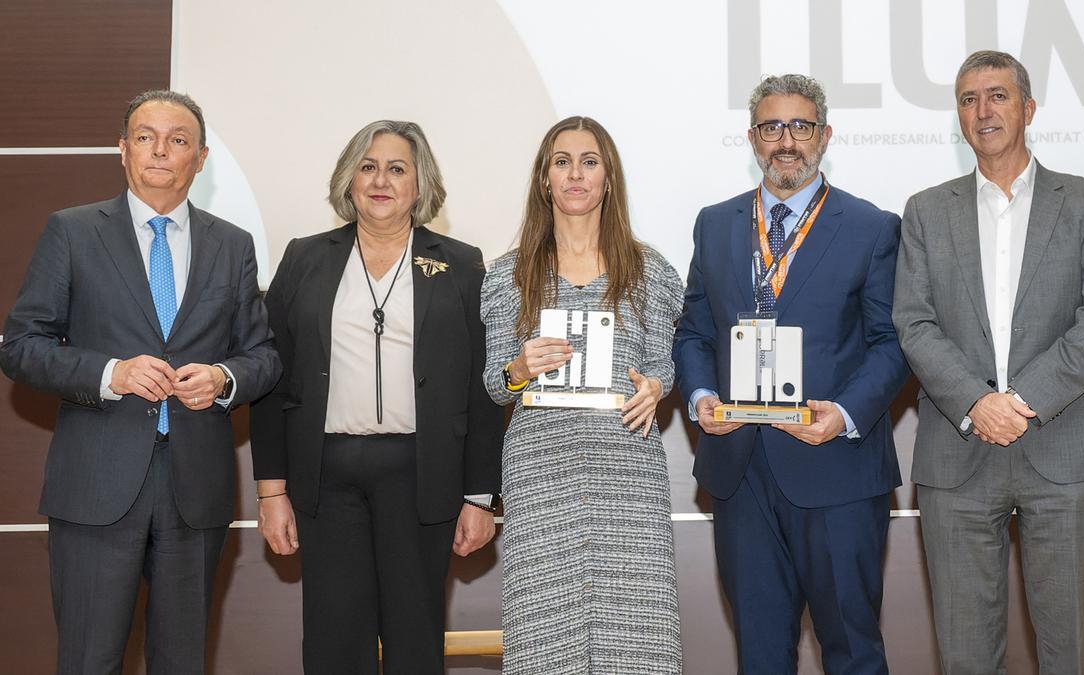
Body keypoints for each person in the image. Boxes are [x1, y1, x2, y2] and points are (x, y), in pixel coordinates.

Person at [0, 90, 280, 674]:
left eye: (178, 140)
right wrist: (110, 373)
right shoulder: (72, 232)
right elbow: (22, 347)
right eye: (146, 137)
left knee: (180, 662)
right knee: (88, 661)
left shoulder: (232, 244)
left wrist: (224, 379)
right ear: (122, 151)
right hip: (95, 484)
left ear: (200, 159)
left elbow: (262, 355)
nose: (161, 150)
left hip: (194, 488)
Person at [893, 50, 1084, 674]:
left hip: (1066, 449)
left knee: (1066, 652)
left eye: (997, 95)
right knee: (965, 656)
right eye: (968, 100)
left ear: (1028, 108)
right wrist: (976, 402)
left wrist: (1021, 402)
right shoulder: (924, 210)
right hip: (958, 452)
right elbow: (913, 323)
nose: (983, 110)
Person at [673, 74, 909, 674]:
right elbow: (695, 331)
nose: (786, 141)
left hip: (838, 473)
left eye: (800, 126)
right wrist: (701, 395)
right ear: (752, 138)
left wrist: (845, 415)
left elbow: (892, 344)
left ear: (824, 136)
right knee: (760, 654)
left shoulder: (872, 227)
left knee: (852, 650)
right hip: (741, 472)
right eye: (771, 127)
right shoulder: (715, 223)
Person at [248, 119, 502, 673]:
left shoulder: (461, 263)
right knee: (334, 645)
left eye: (396, 168)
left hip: (422, 474)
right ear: (349, 180)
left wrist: (481, 496)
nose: (380, 180)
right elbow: (273, 380)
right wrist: (270, 493)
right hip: (326, 474)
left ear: (419, 184)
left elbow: (481, 391)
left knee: (415, 644)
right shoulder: (305, 257)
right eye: (367, 166)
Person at [481, 116, 683, 673]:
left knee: (637, 637)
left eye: (589, 161)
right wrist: (519, 367)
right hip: (541, 471)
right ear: (544, 178)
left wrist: (658, 385)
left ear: (608, 178)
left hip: (627, 468)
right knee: (545, 638)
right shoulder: (507, 276)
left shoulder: (650, 272)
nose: (576, 174)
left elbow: (666, 360)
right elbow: (494, 384)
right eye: (561, 161)